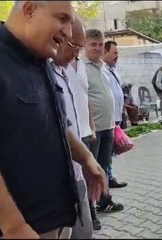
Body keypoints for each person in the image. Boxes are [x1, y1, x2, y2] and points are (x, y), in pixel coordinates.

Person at [0, 1, 107, 239]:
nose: (68, 31)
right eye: (62, 19)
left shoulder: (41, 60)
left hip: (59, 220)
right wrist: (13, 226)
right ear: (30, 9)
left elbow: (56, 123)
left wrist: (86, 158)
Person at [50, 17, 93, 239]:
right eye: (73, 45)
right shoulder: (42, 73)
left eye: (80, 48)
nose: (76, 54)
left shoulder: (67, 71)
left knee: (83, 232)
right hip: (55, 178)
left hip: (76, 168)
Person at [82, 29, 124, 213]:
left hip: (108, 125)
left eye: (100, 45)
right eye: (93, 44)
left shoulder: (103, 66)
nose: (97, 48)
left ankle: (104, 200)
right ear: (84, 45)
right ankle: (90, 211)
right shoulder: (80, 66)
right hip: (93, 129)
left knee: (104, 167)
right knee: (91, 172)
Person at [66, 36, 101, 231]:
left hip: (86, 133)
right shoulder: (53, 65)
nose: (76, 50)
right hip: (72, 138)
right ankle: (88, 215)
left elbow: (85, 98)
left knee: (91, 177)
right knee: (81, 181)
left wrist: (92, 127)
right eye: (74, 44)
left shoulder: (81, 67)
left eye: (78, 46)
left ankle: (91, 213)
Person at [102, 40, 128, 189]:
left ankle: (109, 176)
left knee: (110, 151)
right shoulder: (102, 69)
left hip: (117, 115)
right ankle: (108, 178)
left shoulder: (113, 70)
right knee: (106, 152)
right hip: (108, 118)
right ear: (105, 52)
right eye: (114, 53)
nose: (117, 56)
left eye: (117, 53)